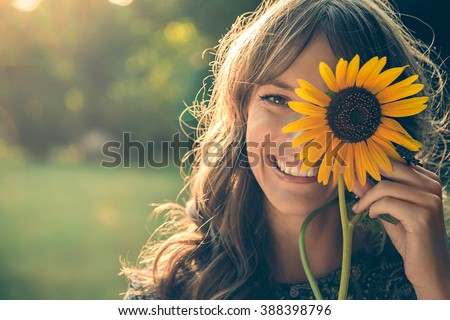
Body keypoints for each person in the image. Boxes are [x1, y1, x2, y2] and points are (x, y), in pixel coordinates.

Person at [122, 0, 450, 299]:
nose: (301, 139)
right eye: (277, 99)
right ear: (242, 113)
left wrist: (436, 292)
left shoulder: (421, 282)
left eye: (337, 110)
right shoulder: (172, 293)